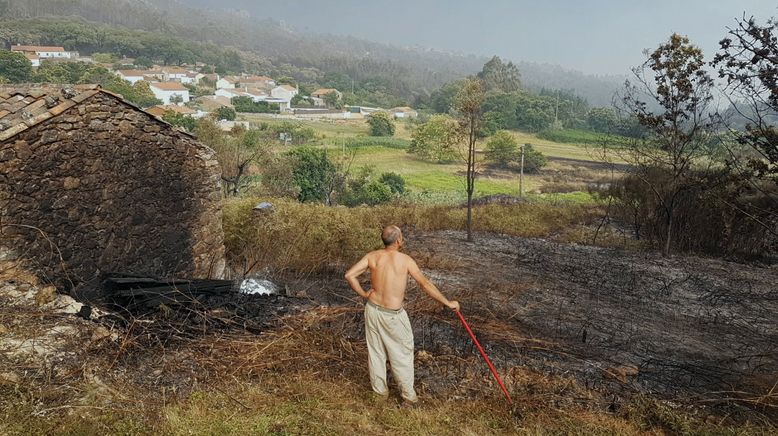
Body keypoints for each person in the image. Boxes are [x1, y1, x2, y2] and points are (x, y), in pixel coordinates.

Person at [344, 225, 460, 405]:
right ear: (398, 241)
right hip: (392, 315)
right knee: (402, 353)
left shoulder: (372, 256)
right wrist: (447, 302)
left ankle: (380, 394)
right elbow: (425, 284)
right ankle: (408, 397)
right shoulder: (405, 260)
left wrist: (364, 294)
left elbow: (350, 275)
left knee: (376, 353)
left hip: (372, 309)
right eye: (402, 237)